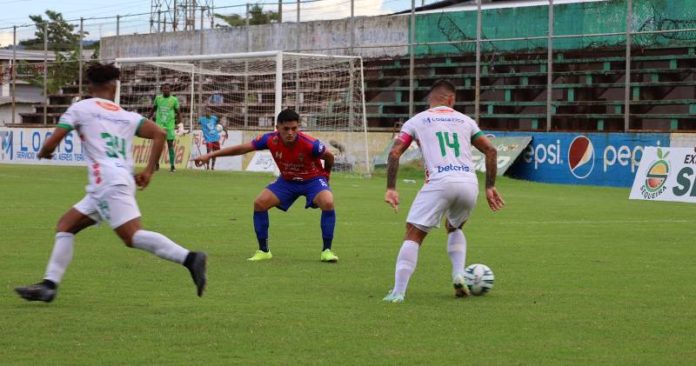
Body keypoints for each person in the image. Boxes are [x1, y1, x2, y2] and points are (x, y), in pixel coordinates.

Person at [14, 63, 207, 303]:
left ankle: (190, 258)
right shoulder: (124, 114)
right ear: (114, 86)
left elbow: (53, 141)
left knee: (132, 236)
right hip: (114, 181)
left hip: (107, 183)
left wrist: (45, 152)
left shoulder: (80, 108)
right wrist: (149, 170)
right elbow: (159, 133)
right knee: (66, 226)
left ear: (89, 86)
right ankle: (49, 285)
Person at [382, 79, 504, 303]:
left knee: (413, 233)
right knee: (455, 225)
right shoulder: (466, 120)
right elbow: (491, 150)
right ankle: (458, 274)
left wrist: (391, 187)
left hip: (440, 181)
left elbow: (395, 152)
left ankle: (398, 292)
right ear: (451, 99)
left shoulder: (417, 120)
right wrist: (490, 186)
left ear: (431, 99)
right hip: (468, 182)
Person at [193, 108, 339, 263]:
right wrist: (210, 155)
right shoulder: (269, 139)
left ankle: (327, 251)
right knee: (260, 203)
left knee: (328, 202)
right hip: (287, 181)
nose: (290, 132)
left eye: (294, 128)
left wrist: (326, 176)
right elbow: (242, 148)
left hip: (312, 180)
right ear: (277, 128)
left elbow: (329, 156)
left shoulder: (310, 144)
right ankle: (263, 251)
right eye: (286, 129)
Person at [150, 83, 179, 172]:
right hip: (159, 126)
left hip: (170, 126)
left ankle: (172, 166)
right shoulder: (158, 98)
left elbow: (178, 112)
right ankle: (157, 164)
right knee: (158, 145)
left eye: (167, 88)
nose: (166, 90)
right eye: (164, 88)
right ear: (162, 89)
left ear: (170, 90)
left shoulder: (174, 100)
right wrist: (148, 117)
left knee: (170, 145)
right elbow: (154, 109)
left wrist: (179, 123)